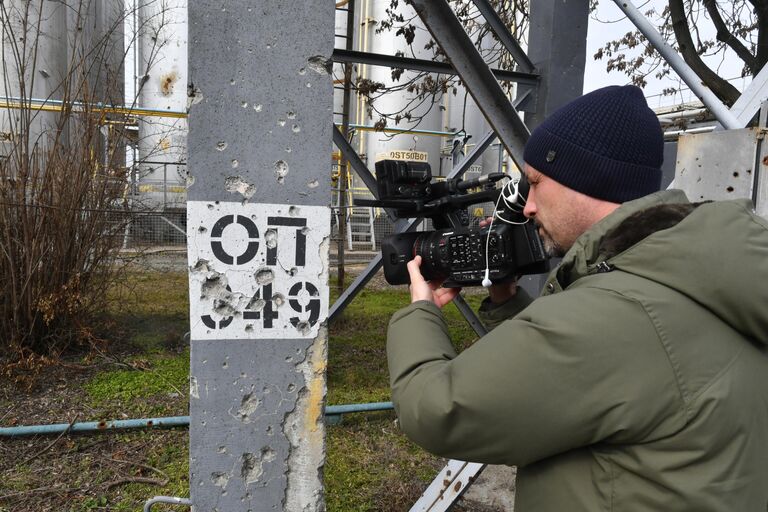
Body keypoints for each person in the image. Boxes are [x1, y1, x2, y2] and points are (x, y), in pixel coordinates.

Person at [386, 85, 768, 511]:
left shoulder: (617, 314)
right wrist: (506, 300)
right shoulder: (703, 274)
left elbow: (437, 411)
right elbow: (598, 379)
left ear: (587, 181)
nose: (528, 206)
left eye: (535, 183)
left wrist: (420, 313)